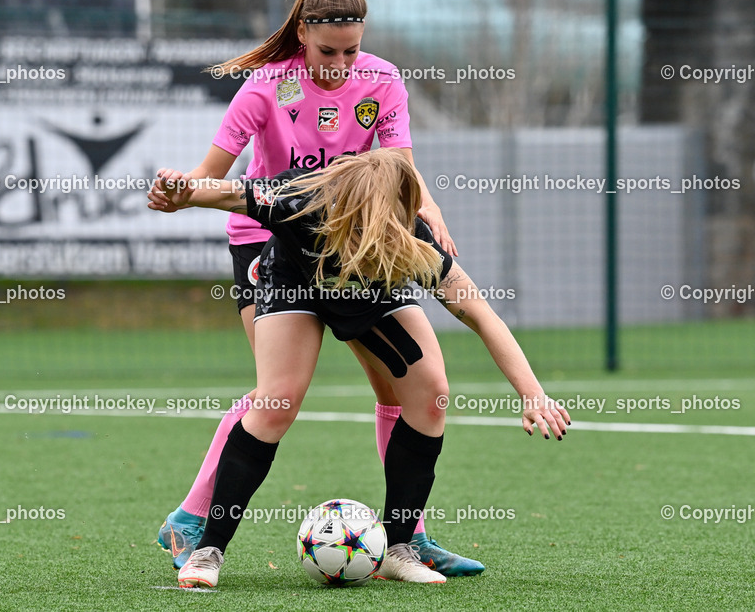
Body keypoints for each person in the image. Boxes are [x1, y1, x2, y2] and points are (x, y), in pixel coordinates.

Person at [147, 0, 480, 579]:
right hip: (268, 241)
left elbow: (400, 167)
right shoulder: (265, 88)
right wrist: (175, 191)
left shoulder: (382, 80)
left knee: (401, 389)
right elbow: (209, 179)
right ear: (302, 33)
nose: (340, 64)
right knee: (276, 393)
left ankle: (406, 538)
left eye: (351, 50)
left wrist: (428, 210)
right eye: (328, 52)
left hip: (350, 244)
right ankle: (194, 521)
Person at [151, 149, 571, 587]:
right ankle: (209, 550)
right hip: (295, 284)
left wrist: (533, 395)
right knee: (277, 403)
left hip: (371, 288)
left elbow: (481, 314)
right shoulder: (299, 200)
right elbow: (224, 193)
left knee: (431, 396)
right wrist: (180, 191)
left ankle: (399, 548)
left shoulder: (409, 236)